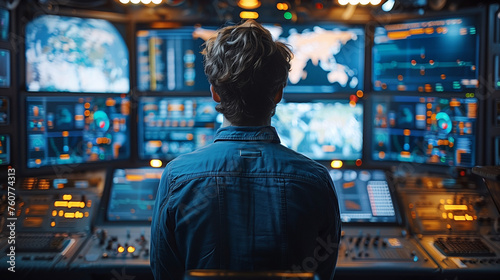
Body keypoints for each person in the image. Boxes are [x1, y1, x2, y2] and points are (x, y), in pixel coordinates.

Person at [150, 19, 341, 280]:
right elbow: (323, 273)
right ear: (278, 94)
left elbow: (164, 274)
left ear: (215, 93)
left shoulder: (176, 177)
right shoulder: (316, 180)